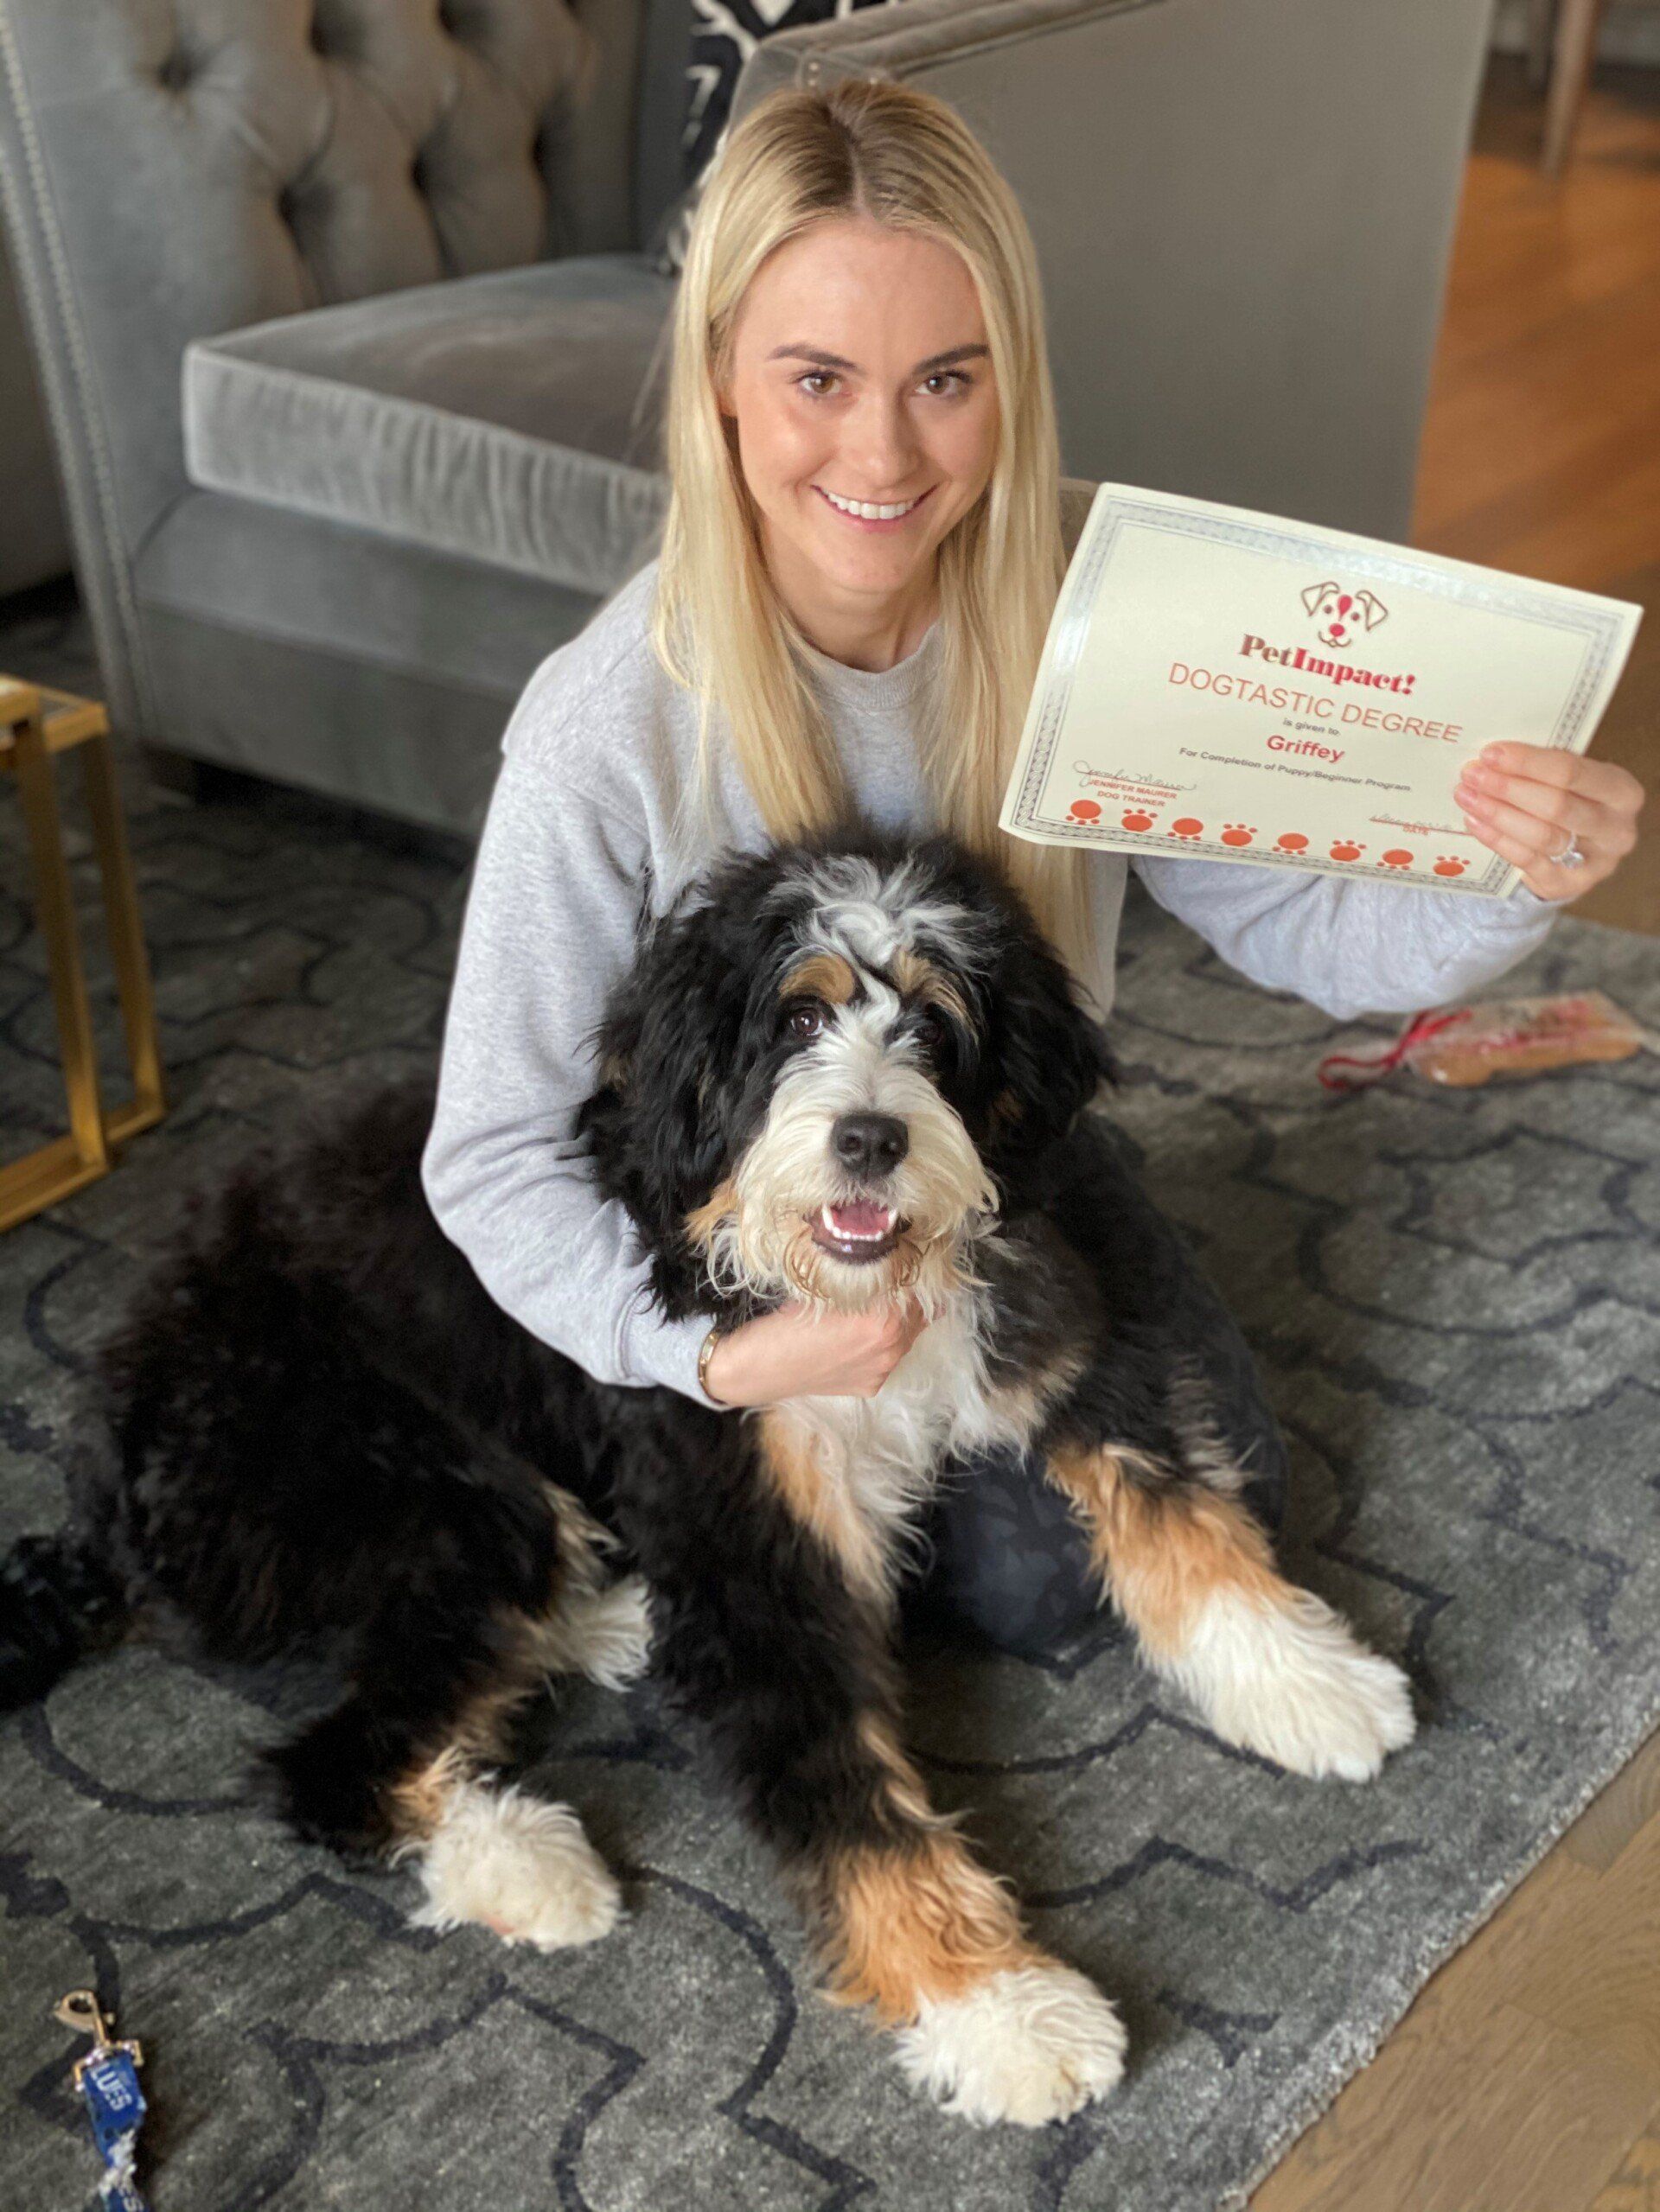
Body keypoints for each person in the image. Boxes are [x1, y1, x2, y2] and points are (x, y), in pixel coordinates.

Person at [421, 80, 1644, 1657]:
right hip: (746, 1224)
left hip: (999, 1157)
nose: (883, 448)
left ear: (1011, 384)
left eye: (946, 377)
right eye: (817, 378)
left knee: (1159, 1534)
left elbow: (1302, 927)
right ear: (722, 378)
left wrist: (1511, 868)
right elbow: (492, 1156)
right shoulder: (605, 728)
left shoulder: (1103, 607)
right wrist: (725, 1367)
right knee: (993, 1571)